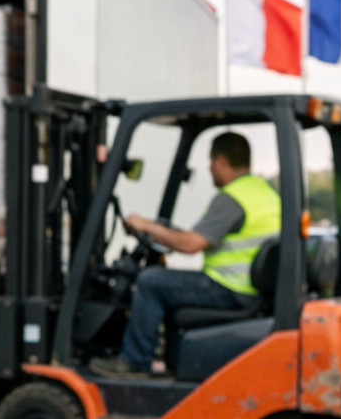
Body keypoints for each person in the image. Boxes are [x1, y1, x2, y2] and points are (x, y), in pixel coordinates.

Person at [91, 131, 281, 380]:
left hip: (230, 289)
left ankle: (134, 363)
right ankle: (169, 362)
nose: (209, 168)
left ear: (221, 162)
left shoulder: (231, 199)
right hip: (249, 290)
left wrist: (147, 226)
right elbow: (202, 237)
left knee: (150, 281)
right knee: (164, 281)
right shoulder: (264, 193)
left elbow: (190, 245)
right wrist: (166, 233)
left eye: (211, 162)